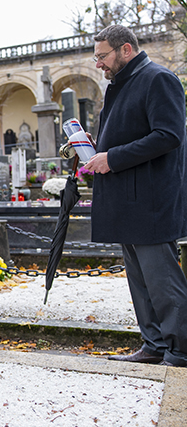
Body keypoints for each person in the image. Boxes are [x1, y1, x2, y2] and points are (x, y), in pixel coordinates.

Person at [84, 25, 187, 366]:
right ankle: (154, 345)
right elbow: (130, 134)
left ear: (125, 49)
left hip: (151, 202)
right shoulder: (122, 84)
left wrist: (111, 158)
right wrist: (95, 147)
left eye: (103, 56)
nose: (98, 63)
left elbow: (168, 135)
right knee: (141, 283)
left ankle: (181, 350)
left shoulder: (158, 79)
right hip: (128, 201)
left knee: (163, 282)